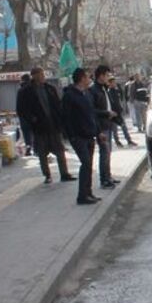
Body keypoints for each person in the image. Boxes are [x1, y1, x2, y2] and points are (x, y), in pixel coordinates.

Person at [16, 68, 76, 184]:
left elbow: (58, 105)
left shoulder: (50, 89)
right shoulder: (25, 91)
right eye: (40, 74)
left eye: (43, 74)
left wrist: (60, 120)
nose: (43, 76)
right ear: (33, 76)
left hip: (53, 124)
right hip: (39, 126)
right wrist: (32, 119)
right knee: (42, 152)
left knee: (60, 150)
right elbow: (21, 110)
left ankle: (64, 173)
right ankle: (47, 175)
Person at [62, 68, 101, 205]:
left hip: (89, 134)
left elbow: (91, 115)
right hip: (78, 136)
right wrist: (71, 135)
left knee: (89, 164)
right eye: (87, 77)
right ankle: (82, 196)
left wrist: (97, 132)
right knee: (85, 163)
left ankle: (88, 192)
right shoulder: (70, 95)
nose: (89, 79)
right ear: (81, 78)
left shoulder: (86, 94)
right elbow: (66, 118)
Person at [90, 65, 119, 190]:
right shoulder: (93, 90)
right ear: (101, 75)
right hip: (101, 126)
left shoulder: (104, 88)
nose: (108, 78)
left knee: (108, 153)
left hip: (109, 123)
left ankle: (108, 175)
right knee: (104, 153)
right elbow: (92, 110)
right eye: (107, 75)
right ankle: (104, 179)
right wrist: (106, 113)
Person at [108, 77, 137, 148]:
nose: (115, 84)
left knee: (124, 127)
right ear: (110, 83)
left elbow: (118, 100)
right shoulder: (109, 92)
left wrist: (120, 108)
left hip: (118, 112)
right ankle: (117, 142)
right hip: (113, 113)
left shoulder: (116, 91)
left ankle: (129, 140)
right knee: (114, 129)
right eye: (113, 82)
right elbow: (111, 103)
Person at [17, 74, 35, 156]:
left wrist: (20, 115)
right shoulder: (33, 88)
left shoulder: (20, 90)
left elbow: (18, 105)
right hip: (33, 115)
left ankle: (28, 147)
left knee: (26, 133)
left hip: (23, 116)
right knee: (34, 132)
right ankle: (36, 149)